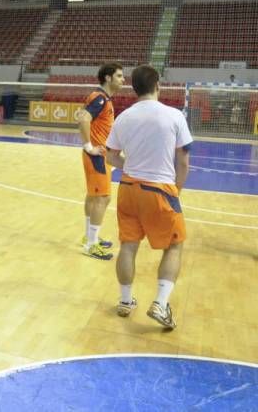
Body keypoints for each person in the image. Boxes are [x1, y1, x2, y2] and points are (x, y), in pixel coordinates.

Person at [105, 64, 192, 329]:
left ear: (134, 88)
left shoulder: (123, 117)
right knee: (174, 245)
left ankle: (125, 300)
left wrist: (130, 166)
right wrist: (176, 190)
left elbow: (110, 156)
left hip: (129, 188)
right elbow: (184, 161)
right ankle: (161, 304)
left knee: (128, 246)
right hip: (160, 189)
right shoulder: (174, 115)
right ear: (157, 85)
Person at [75, 62, 124, 260]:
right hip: (96, 156)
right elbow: (83, 118)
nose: (123, 80)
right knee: (102, 198)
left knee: (95, 197)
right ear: (108, 78)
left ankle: (89, 236)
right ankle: (91, 244)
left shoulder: (103, 99)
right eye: (119, 76)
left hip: (99, 155)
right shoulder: (100, 98)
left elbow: (82, 115)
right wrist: (89, 146)